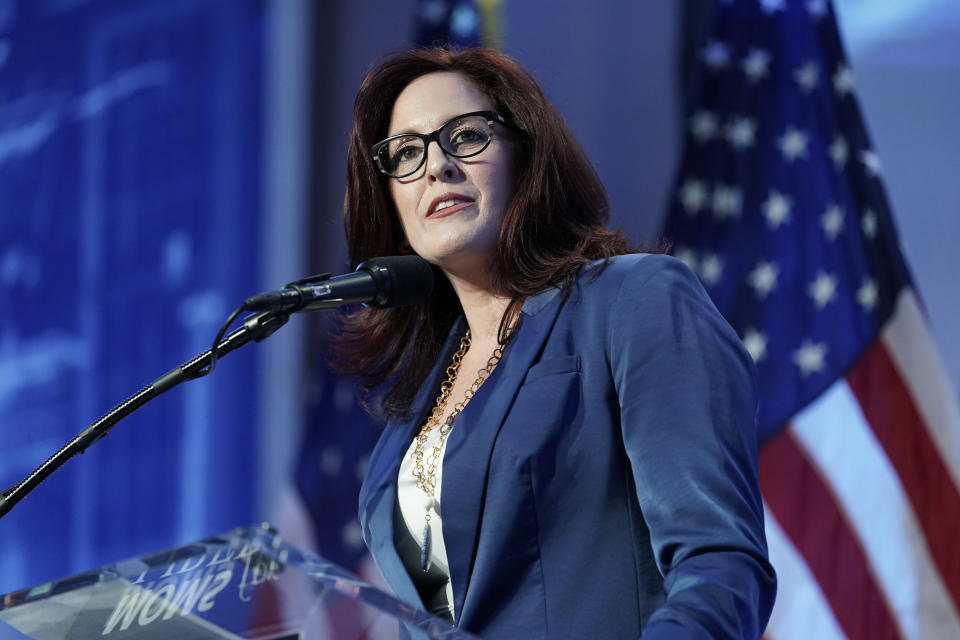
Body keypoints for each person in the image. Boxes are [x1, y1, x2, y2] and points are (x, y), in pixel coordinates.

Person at [332, 47, 776, 639]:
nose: (436, 166)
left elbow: (719, 563)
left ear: (525, 153)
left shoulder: (632, 300)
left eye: (465, 136)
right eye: (407, 153)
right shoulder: (412, 409)